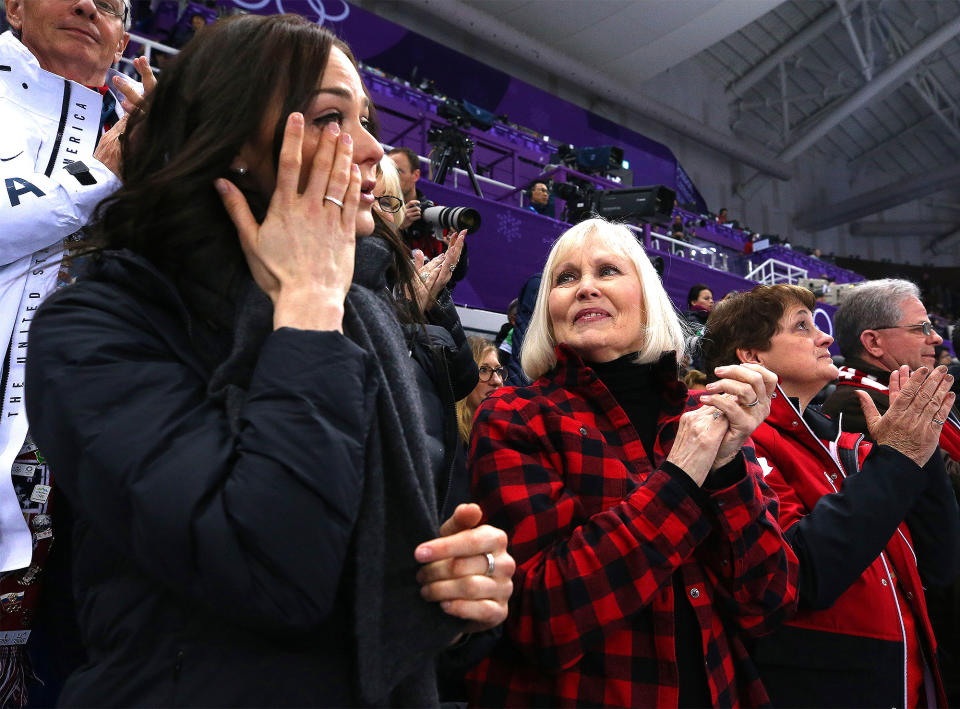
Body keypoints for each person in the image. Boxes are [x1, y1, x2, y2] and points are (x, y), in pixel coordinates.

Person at [23, 15, 513, 706]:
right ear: (234, 144)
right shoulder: (99, 326)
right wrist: (308, 303)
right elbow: (272, 569)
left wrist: (465, 595)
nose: (373, 148)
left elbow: (407, 583)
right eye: (333, 117)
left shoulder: (373, 317)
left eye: (367, 118)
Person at [465, 217, 798, 707]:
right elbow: (545, 617)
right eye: (566, 278)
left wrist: (727, 472)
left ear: (647, 299)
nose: (586, 288)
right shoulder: (514, 417)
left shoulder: (707, 417)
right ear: (548, 309)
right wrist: (681, 479)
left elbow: (768, 603)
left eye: (607, 271)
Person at [703, 284, 960, 708]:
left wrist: (922, 445)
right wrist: (899, 456)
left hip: (905, 675)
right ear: (752, 356)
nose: (825, 337)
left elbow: (939, 562)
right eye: (802, 327)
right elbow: (805, 572)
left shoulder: (843, 442)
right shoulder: (733, 436)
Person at [0, 0, 154, 703]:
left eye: (118, 6)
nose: (94, 6)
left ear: (123, 40)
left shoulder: (145, 138)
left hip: (88, 465)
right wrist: (104, 173)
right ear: (14, 7)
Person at [388, 145, 468, 285]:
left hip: (430, 297)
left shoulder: (435, 214)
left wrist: (454, 251)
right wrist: (398, 228)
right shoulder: (379, 209)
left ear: (416, 175)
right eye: (389, 171)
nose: (393, 176)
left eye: (399, 171)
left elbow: (457, 274)